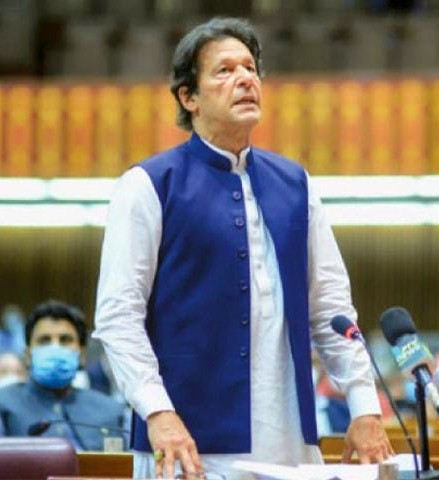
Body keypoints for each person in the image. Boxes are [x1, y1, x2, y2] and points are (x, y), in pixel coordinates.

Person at [93, 16, 392, 480]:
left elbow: (331, 310)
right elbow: (118, 318)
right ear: (187, 97)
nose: (246, 79)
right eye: (225, 70)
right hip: (188, 442)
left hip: (290, 439)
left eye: (250, 68)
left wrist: (364, 407)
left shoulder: (297, 184)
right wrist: (157, 413)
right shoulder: (148, 186)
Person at [0, 300, 127, 451]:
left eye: (65, 340)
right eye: (44, 340)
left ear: (82, 355)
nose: (55, 347)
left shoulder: (112, 411)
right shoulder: (4, 403)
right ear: (27, 355)